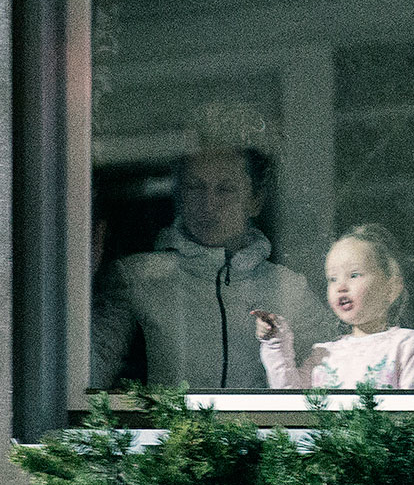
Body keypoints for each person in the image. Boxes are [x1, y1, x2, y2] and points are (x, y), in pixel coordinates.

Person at [90, 103, 334, 391]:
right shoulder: (137, 277)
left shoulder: (288, 289)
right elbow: (87, 377)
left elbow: (339, 370)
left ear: (255, 200)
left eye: (225, 189)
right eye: (195, 187)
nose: (208, 204)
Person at [253, 223, 414, 390]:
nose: (340, 287)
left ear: (391, 288)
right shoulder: (323, 356)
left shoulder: (406, 346)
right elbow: (292, 401)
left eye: (354, 275)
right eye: (333, 279)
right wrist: (275, 343)